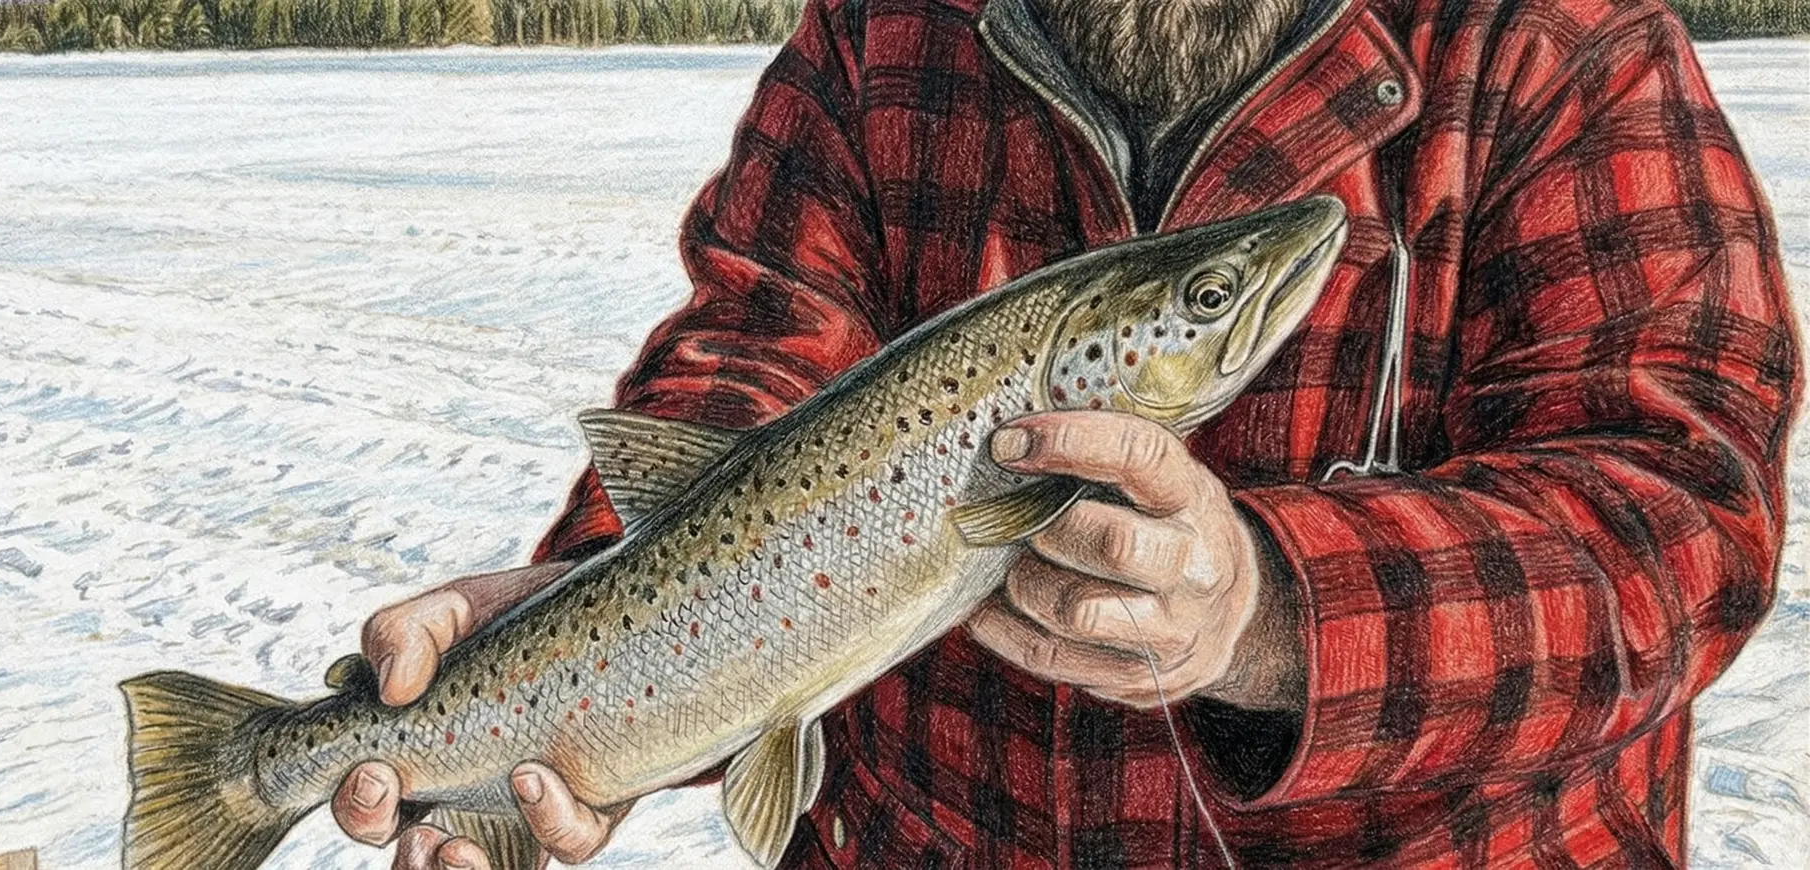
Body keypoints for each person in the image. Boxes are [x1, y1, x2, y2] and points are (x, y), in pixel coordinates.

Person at [326, 0, 1799, 865]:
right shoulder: (877, 41)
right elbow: (747, 372)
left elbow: (1678, 509)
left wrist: (1276, 608)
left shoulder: (1557, 48)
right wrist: (584, 627)